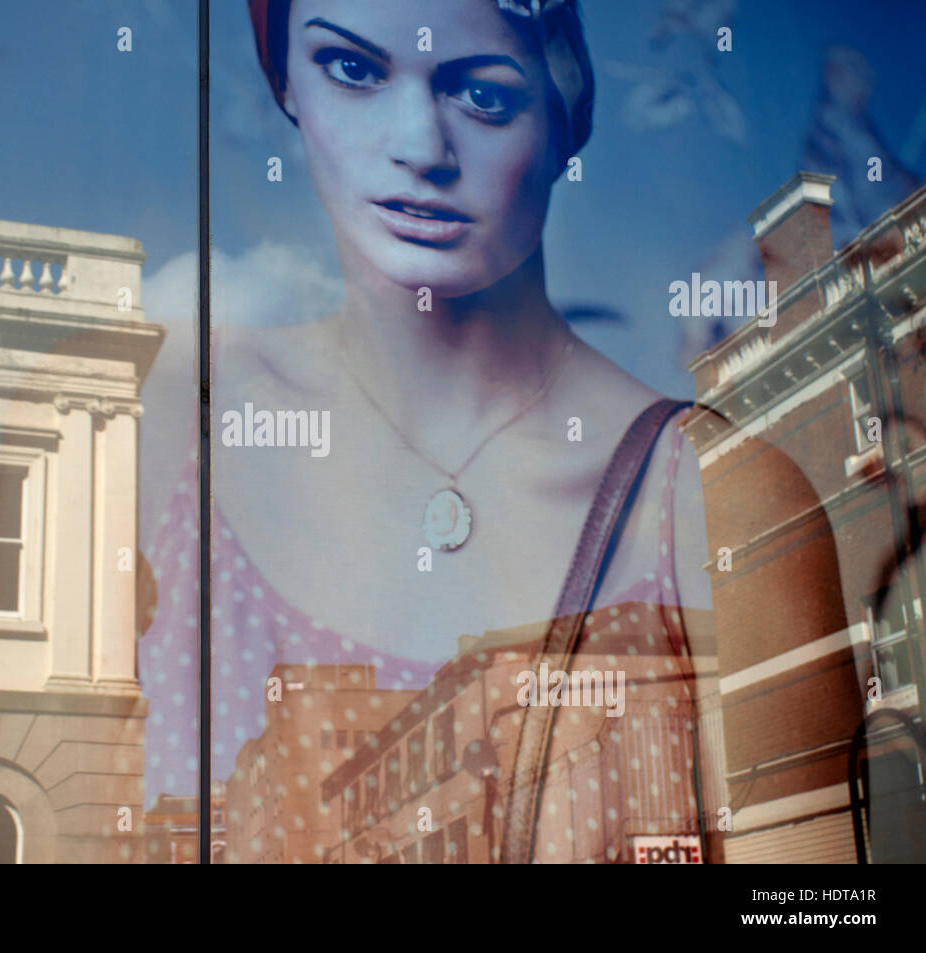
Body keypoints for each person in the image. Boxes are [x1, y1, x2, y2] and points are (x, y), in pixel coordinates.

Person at [140, 0, 720, 862]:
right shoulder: (180, 411)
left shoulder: (701, 486)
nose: (420, 147)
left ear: (566, 117)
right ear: (286, 81)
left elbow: (806, 875)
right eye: (352, 69)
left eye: (483, 95)